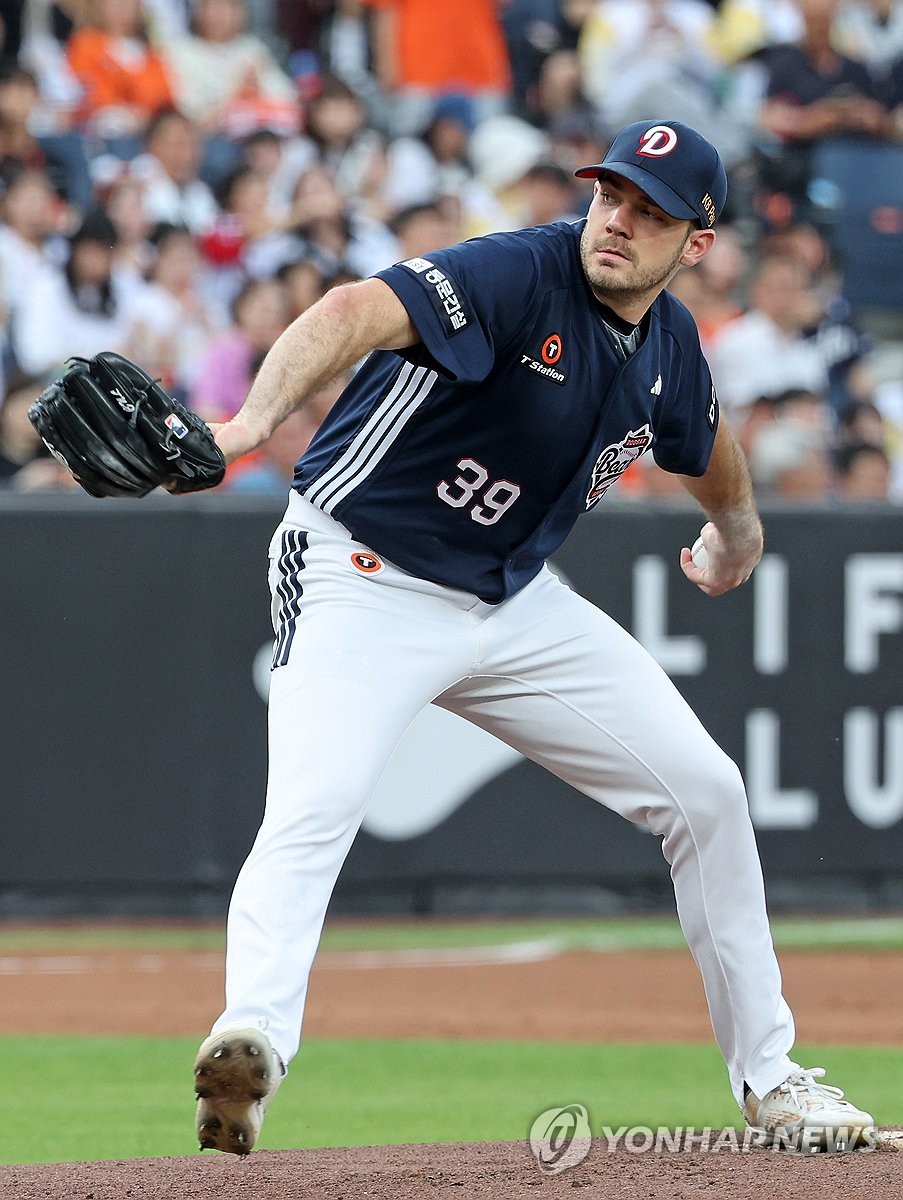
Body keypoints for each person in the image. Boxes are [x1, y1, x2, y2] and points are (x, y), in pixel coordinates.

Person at [192, 118, 874, 1156]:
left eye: (651, 212)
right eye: (611, 194)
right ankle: (250, 1042)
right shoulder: (518, 271)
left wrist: (737, 530)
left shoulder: (668, 344)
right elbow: (351, 310)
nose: (618, 220)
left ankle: (773, 1079)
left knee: (708, 792)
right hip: (363, 572)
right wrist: (246, 427)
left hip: (512, 603)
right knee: (315, 805)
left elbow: (704, 440)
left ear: (697, 243)